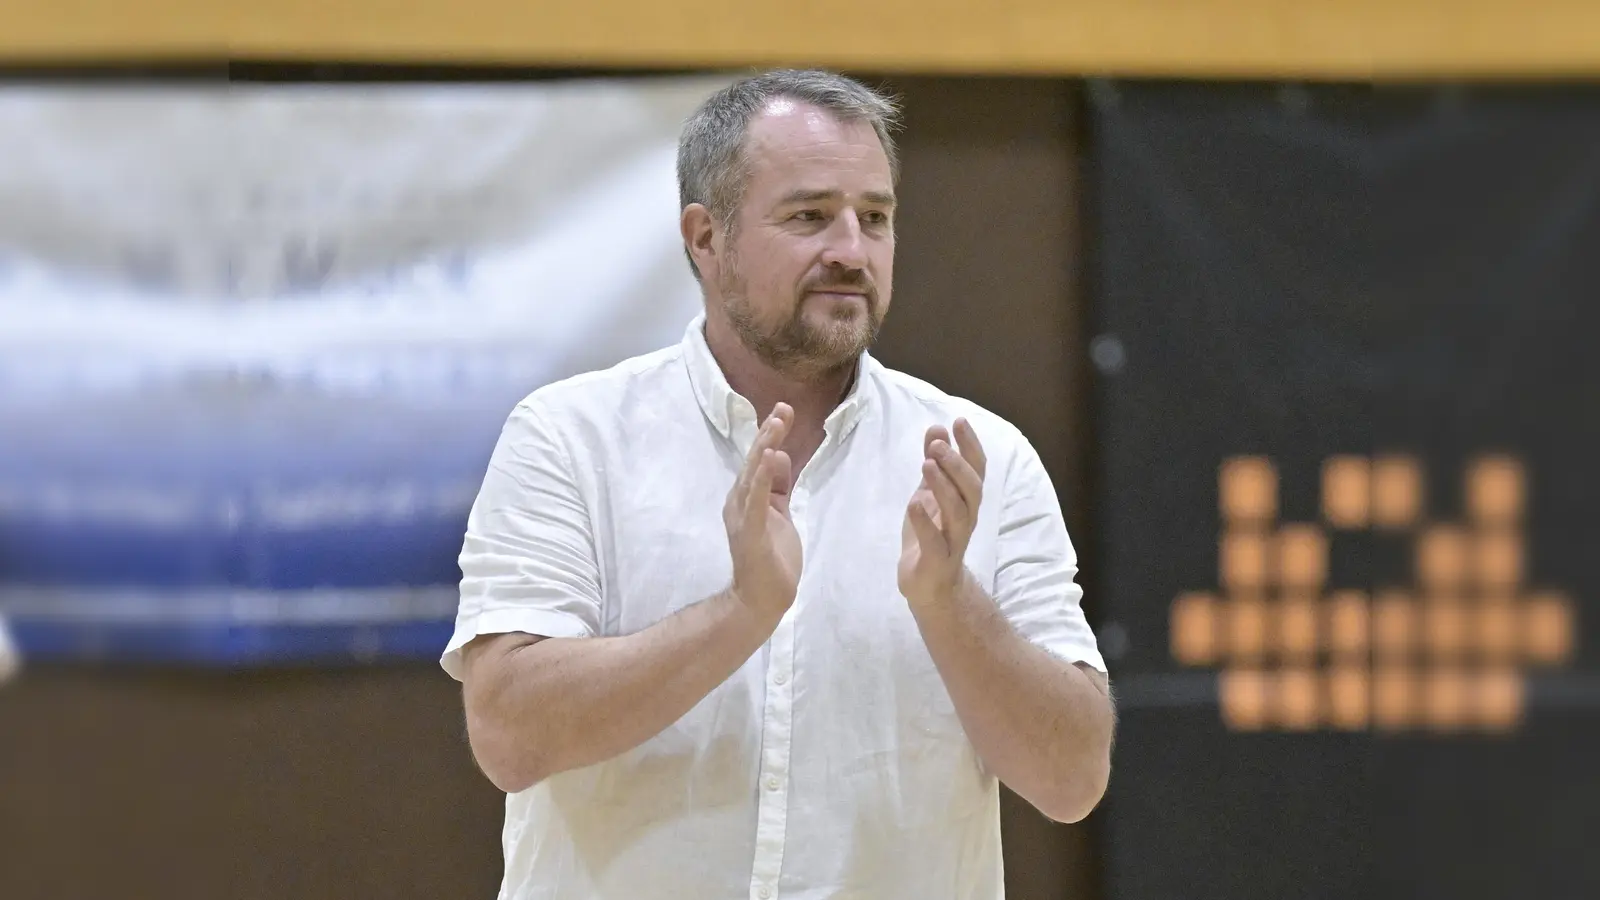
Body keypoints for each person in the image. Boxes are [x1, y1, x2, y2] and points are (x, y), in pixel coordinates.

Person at [442, 69, 1115, 900]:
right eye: (809, 216)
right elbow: (509, 734)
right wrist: (741, 612)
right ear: (705, 237)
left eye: (875, 217)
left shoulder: (981, 457)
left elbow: (1073, 777)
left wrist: (950, 604)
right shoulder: (569, 438)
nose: (852, 251)